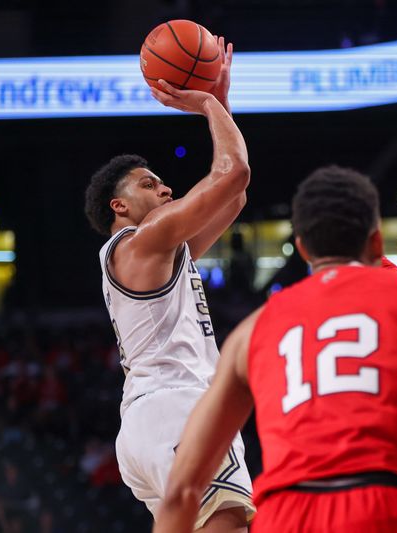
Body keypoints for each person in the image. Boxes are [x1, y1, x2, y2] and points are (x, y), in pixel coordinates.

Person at [155, 165, 397, 533]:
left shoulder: (250, 331)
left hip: (285, 514)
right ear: (377, 242)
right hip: (385, 502)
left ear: (302, 248)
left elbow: (182, 489)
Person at [83, 37, 255, 532]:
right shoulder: (143, 241)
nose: (165, 188)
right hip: (177, 408)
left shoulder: (158, 252)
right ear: (119, 206)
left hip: (150, 421)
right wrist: (204, 103)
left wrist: (221, 109)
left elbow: (235, 195)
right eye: (147, 184)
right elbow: (234, 172)